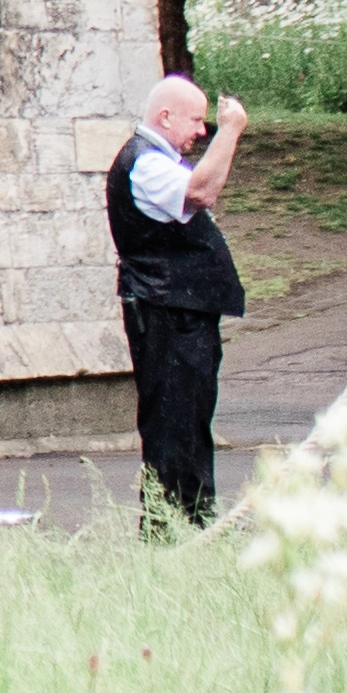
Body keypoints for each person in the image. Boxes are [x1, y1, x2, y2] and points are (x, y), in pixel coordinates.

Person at [108, 73, 249, 527]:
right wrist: (231, 130)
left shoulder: (158, 161)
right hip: (165, 315)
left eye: (207, 122)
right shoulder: (146, 164)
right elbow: (202, 191)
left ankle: (196, 525)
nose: (202, 130)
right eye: (196, 120)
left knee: (191, 426)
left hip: (179, 313)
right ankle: (168, 533)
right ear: (164, 117)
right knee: (173, 429)